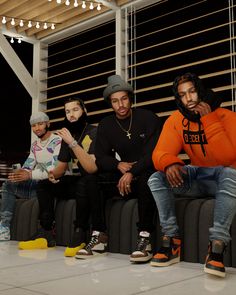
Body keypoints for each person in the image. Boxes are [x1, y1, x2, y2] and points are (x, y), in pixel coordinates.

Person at [148, 72, 236, 278]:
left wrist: (209, 120)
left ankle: (217, 246)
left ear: (201, 91)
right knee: (156, 178)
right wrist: (169, 164)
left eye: (192, 92)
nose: (188, 99)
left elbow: (227, 158)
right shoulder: (177, 120)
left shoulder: (227, 117)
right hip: (199, 178)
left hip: (226, 180)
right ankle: (171, 241)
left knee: (230, 173)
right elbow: (160, 153)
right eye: (182, 95)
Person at [76, 74, 162, 262]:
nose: (120, 105)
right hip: (123, 176)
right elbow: (100, 157)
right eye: (115, 101)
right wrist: (118, 165)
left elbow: (153, 155)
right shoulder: (106, 124)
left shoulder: (148, 118)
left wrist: (132, 171)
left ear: (130, 98)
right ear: (110, 103)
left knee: (149, 175)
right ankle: (99, 236)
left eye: (123, 99)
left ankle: (145, 239)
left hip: (145, 173)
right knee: (91, 179)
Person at [18, 97, 100, 257]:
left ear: (85, 110)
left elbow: (91, 168)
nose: (71, 115)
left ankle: (80, 233)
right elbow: (61, 168)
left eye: (75, 110)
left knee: (84, 181)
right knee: (44, 185)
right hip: (78, 180)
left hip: (94, 180)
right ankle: (46, 233)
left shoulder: (94, 131)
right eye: (67, 111)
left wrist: (71, 142)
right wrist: (51, 175)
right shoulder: (66, 136)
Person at [0, 111, 62, 241]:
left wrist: (29, 175)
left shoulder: (58, 140)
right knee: (8, 184)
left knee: (43, 186)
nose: (37, 128)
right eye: (34, 125)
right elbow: (28, 165)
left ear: (48, 123)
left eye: (40, 124)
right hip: (37, 185)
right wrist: (19, 174)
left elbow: (54, 168)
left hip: (53, 185)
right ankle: (4, 227)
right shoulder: (35, 145)